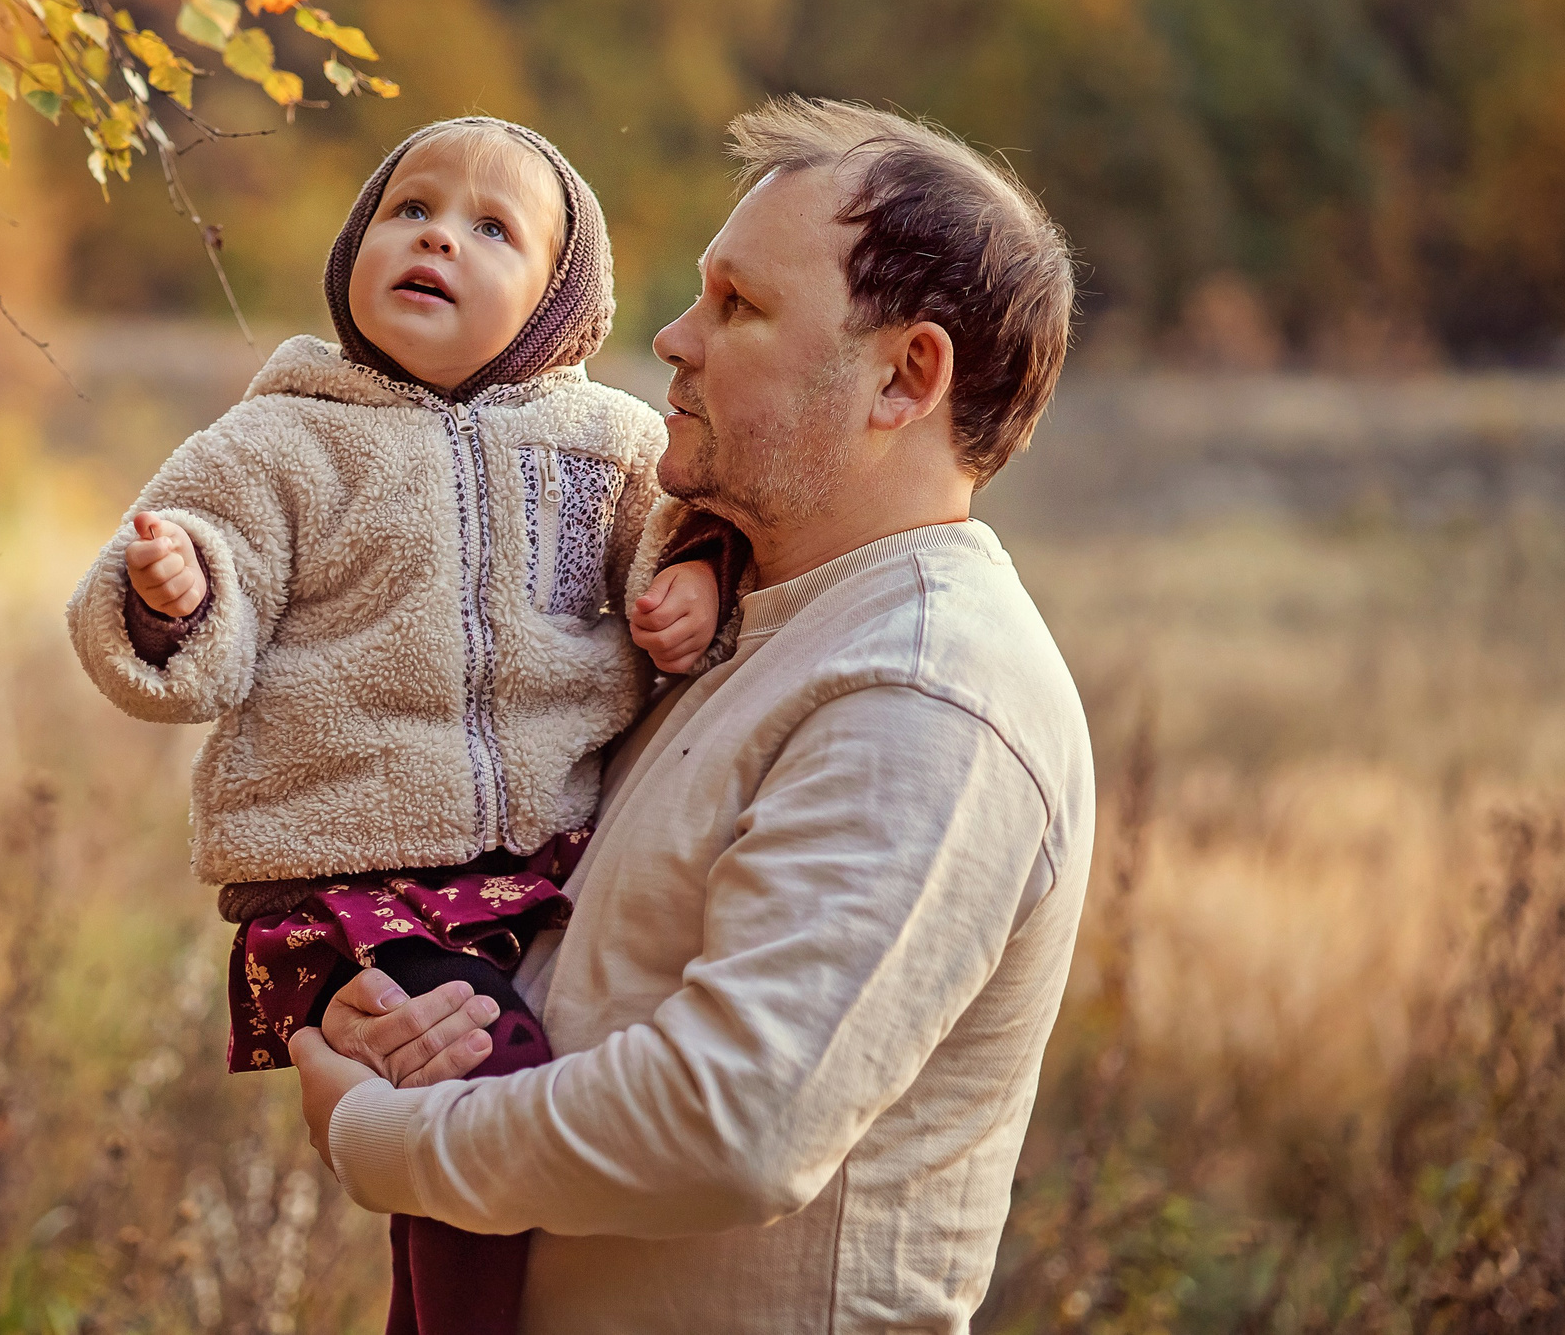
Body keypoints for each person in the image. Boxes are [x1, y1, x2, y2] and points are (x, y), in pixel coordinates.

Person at [288, 96, 1094, 1335]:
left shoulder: (922, 690)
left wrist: (385, 1135)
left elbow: (735, 1121)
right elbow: (600, 974)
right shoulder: (738, 620)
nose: (673, 337)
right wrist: (415, 1023)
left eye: (739, 306)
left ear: (904, 376)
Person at [65, 117, 739, 1335]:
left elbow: (681, 529)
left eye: (492, 229)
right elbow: (202, 570)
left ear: (557, 304)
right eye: (409, 209)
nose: (438, 235)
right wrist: (174, 593)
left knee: (530, 1089)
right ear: (353, 252)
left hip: (546, 866)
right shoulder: (282, 437)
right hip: (348, 871)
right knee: (479, 1077)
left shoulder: (605, 444)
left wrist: (691, 576)